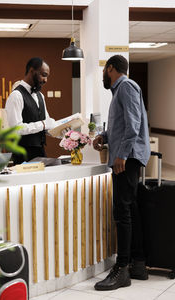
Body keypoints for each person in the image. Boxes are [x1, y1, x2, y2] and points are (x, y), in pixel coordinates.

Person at [93, 55, 150, 291]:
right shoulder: (120, 90)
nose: (103, 77)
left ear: (110, 69)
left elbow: (133, 124)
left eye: (104, 72)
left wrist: (122, 155)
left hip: (128, 158)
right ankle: (138, 264)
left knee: (122, 211)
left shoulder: (125, 86)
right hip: (129, 156)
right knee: (130, 210)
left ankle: (122, 268)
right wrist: (104, 137)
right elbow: (122, 124)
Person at [5, 57, 56, 164]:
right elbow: (16, 129)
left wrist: (62, 131)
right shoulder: (16, 96)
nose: (45, 80)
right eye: (43, 75)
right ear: (32, 71)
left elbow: (47, 124)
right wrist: (42, 124)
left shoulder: (41, 96)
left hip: (40, 151)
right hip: (22, 154)